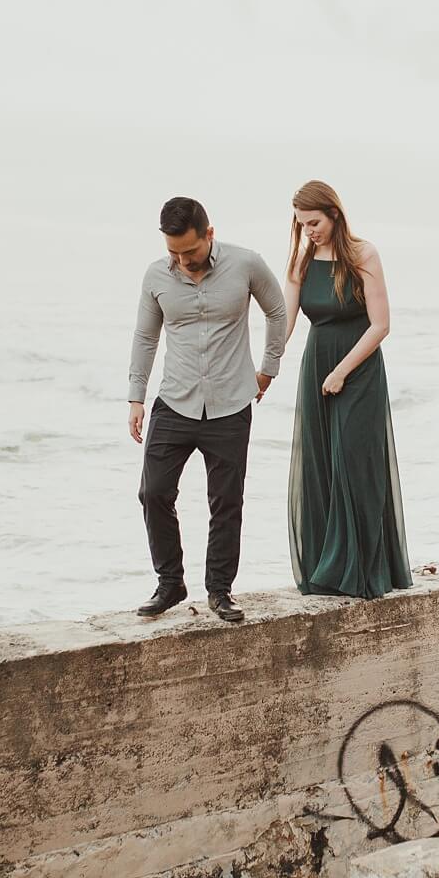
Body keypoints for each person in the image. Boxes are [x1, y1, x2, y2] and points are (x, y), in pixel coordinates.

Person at [127, 196, 286, 622]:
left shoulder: (246, 263)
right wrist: (136, 397)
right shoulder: (155, 276)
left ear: (209, 234)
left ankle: (220, 590)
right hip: (174, 402)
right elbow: (145, 338)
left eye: (190, 251)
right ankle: (170, 583)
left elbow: (277, 310)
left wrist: (268, 368)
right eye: (173, 253)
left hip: (231, 405)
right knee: (153, 491)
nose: (182, 261)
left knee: (226, 501)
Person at [283, 181, 412, 598]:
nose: (309, 231)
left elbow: (381, 325)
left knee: (353, 463)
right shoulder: (302, 260)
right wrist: (262, 367)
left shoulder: (363, 254)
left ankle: (361, 571)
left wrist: (341, 371)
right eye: (302, 225)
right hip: (315, 365)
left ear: (334, 214)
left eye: (314, 222)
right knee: (320, 464)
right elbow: (283, 324)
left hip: (357, 369)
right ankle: (327, 571)